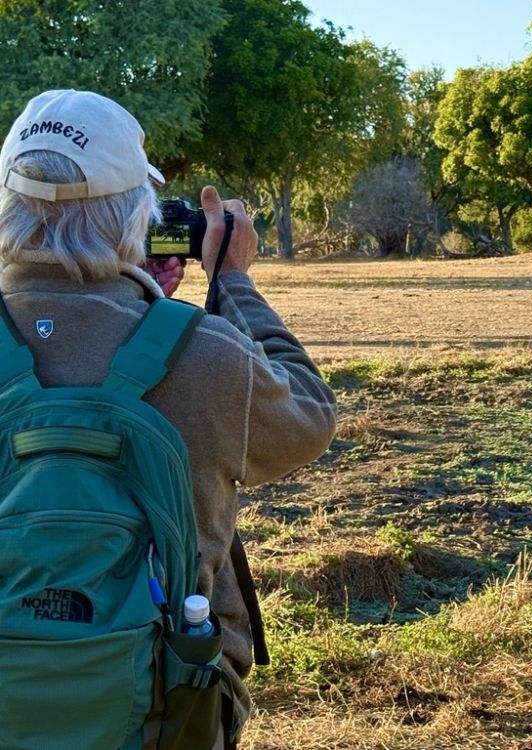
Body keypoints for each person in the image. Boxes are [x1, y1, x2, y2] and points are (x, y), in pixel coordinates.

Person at [0, 89, 338, 747]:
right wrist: (232, 280)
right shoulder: (204, 354)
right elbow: (310, 419)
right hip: (167, 714)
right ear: (137, 213)